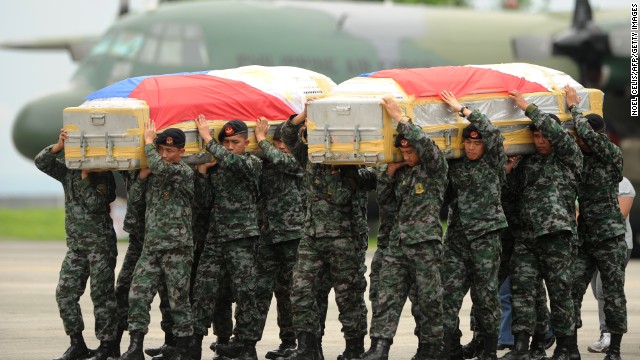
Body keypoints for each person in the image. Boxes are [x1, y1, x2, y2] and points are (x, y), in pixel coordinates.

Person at [276, 103, 371, 360]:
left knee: (348, 295)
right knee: (301, 290)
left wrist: (344, 168)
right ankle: (308, 347)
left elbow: (360, 185)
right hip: (313, 236)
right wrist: (304, 116)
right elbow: (287, 134)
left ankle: (354, 348)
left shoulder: (356, 161)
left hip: (344, 238)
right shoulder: (309, 157)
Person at [361, 96, 448, 360]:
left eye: (412, 152)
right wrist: (389, 172)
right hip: (398, 245)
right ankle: (379, 347)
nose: (408, 156)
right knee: (387, 295)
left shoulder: (435, 169)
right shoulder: (401, 174)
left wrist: (399, 118)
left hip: (425, 245)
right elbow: (385, 202)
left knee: (429, 301)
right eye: (404, 152)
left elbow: (426, 144)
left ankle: (430, 348)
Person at [505, 90, 582, 360]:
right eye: (535, 136)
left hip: (556, 236)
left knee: (561, 293)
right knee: (523, 290)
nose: (540, 141)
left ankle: (567, 348)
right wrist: (508, 173)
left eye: (544, 135)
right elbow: (513, 198)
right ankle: (522, 347)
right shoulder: (527, 163)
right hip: (527, 238)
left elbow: (559, 135)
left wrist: (527, 107)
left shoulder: (568, 158)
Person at [35, 129, 119, 360]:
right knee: (65, 293)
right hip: (77, 246)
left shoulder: (103, 175)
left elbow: (96, 204)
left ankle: (107, 346)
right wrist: (58, 146)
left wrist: (84, 177)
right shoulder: (67, 172)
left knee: (101, 296)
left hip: (100, 245)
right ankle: (77, 343)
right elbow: (41, 163)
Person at [116, 123, 195, 360]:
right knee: (137, 295)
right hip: (151, 247)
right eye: (160, 149)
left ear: (181, 152)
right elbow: (136, 202)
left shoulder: (182, 172)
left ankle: (182, 349)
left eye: (169, 150)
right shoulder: (154, 173)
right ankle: (135, 347)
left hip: (176, 248)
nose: (163, 154)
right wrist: (140, 179)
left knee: (178, 300)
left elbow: (161, 167)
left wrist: (148, 143)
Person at [438, 90, 507, 360]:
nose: (471, 147)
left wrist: (463, 110)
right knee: (448, 296)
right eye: (467, 142)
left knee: (485, 297)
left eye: (476, 143)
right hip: (457, 240)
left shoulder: (494, 162)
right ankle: (452, 348)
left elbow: (494, 134)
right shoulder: (455, 166)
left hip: (485, 239)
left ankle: (488, 348)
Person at [564, 85, 627, 360]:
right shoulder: (580, 158)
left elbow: (588, 134)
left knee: (612, 295)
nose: (578, 140)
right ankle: (570, 347)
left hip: (610, 236)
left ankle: (614, 349)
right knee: (571, 291)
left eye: (582, 136)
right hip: (585, 236)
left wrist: (574, 106)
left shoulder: (611, 154)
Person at [192, 116, 263, 360]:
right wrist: (202, 173)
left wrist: (209, 140)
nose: (230, 147)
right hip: (216, 236)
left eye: (235, 142)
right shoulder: (218, 167)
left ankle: (246, 345)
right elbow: (202, 203)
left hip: (242, 236)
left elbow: (233, 162)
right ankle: (196, 342)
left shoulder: (252, 163)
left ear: (246, 142)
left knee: (245, 292)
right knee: (204, 289)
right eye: (226, 142)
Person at [251, 118, 305, 359]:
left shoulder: (297, 160)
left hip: (293, 235)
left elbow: (287, 162)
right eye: (277, 141)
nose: (282, 146)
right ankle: (247, 343)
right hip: (267, 235)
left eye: (285, 141)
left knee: (289, 293)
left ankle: (291, 342)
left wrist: (262, 141)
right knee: (259, 291)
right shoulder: (261, 164)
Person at [587, 176, 634, 353]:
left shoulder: (623, 184)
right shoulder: (586, 179)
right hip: (591, 244)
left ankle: (607, 335)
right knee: (596, 290)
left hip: (617, 244)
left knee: (604, 289)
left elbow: (621, 214)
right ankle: (608, 330)